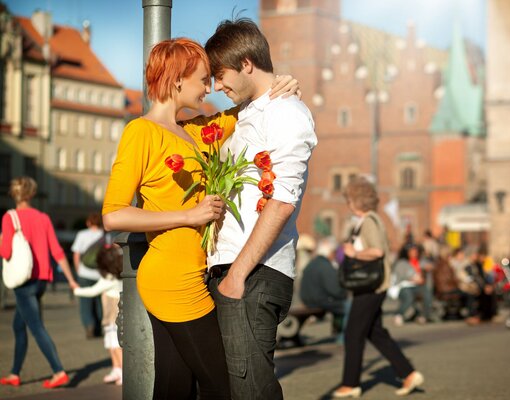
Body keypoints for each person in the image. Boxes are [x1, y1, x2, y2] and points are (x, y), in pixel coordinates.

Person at [102, 37, 299, 400]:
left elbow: (251, 100)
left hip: (194, 273)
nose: (210, 87)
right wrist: (190, 215)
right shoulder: (141, 132)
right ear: (177, 80)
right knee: (220, 385)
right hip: (171, 278)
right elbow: (113, 215)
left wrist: (281, 84)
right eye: (203, 79)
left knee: (176, 386)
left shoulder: (196, 132)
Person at [200, 18, 317, 400]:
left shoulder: (287, 113)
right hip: (234, 270)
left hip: (254, 274)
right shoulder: (249, 113)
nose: (218, 87)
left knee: (251, 390)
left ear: (246, 63)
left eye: (221, 75)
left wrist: (237, 275)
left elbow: (282, 200)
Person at [333, 176, 424, 398]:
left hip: (370, 287)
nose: (348, 204)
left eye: (349, 200)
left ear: (356, 200)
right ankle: (408, 373)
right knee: (376, 333)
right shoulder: (369, 221)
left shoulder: (369, 221)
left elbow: (378, 251)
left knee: (353, 334)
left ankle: (350, 383)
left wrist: (354, 253)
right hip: (374, 287)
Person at [0, 177, 78, 389]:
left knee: (36, 327)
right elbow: (57, 251)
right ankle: (14, 373)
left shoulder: (9, 218)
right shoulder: (43, 217)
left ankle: (58, 371)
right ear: (32, 194)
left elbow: (5, 252)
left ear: (13, 195)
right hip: (42, 279)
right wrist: (71, 279)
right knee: (19, 324)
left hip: (23, 281)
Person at [74, 242, 124, 385]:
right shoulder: (118, 275)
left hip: (112, 317)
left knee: (115, 344)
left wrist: (76, 290)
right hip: (113, 317)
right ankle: (116, 369)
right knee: (111, 343)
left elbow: (92, 291)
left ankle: (122, 371)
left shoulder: (108, 278)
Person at [300, 236, 348, 336]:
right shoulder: (325, 266)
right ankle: (341, 336)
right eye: (333, 252)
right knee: (347, 306)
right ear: (329, 252)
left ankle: (338, 332)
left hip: (307, 300)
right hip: (320, 301)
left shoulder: (312, 263)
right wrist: (345, 293)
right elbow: (335, 290)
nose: (334, 255)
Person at [71, 212, 104, 338]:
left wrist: (78, 270)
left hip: (85, 273)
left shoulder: (82, 234)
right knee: (99, 302)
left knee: (85, 302)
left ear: (88, 222)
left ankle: (89, 325)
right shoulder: (105, 235)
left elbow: (76, 254)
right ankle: (100, 326)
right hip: (101, 274)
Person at [392, 245, 432, 325]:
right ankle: (399, 314)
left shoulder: (421, 261)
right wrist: (412, 279)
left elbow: (430, 266)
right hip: (404, 286)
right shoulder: (402, 263)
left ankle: (423, 316)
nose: (414, 253)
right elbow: (400, 275)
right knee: (408, 298)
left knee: (427, 294)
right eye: (412, 251)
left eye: (416, 251)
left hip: (418, 285)